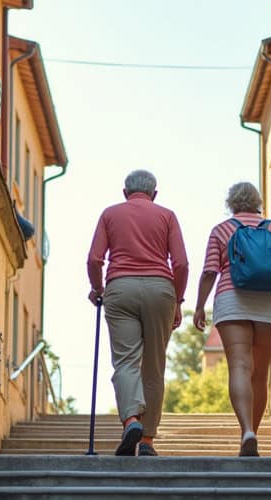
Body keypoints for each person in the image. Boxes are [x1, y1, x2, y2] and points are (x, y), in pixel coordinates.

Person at [193, 182, 271, 457]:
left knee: (240, 367)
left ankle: (246, 432)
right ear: (257, 202)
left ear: (231, 203)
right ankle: (252, 432)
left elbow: (209, 272)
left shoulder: (221, 230)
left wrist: (198, 307)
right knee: (260, 374)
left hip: (232, 300)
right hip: (270, 303)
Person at [87, 169, 188, 456]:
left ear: (124, 192)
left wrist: (97, 288)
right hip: (160, 290)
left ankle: (131, 419)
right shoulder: (167, 216)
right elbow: (181, 264)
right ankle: (147, 440)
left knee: (126, 362)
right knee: (154, 367)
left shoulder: (110, 214)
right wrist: (178, 301)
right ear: (155, 194)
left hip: (120, 288)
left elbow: (95, 259)